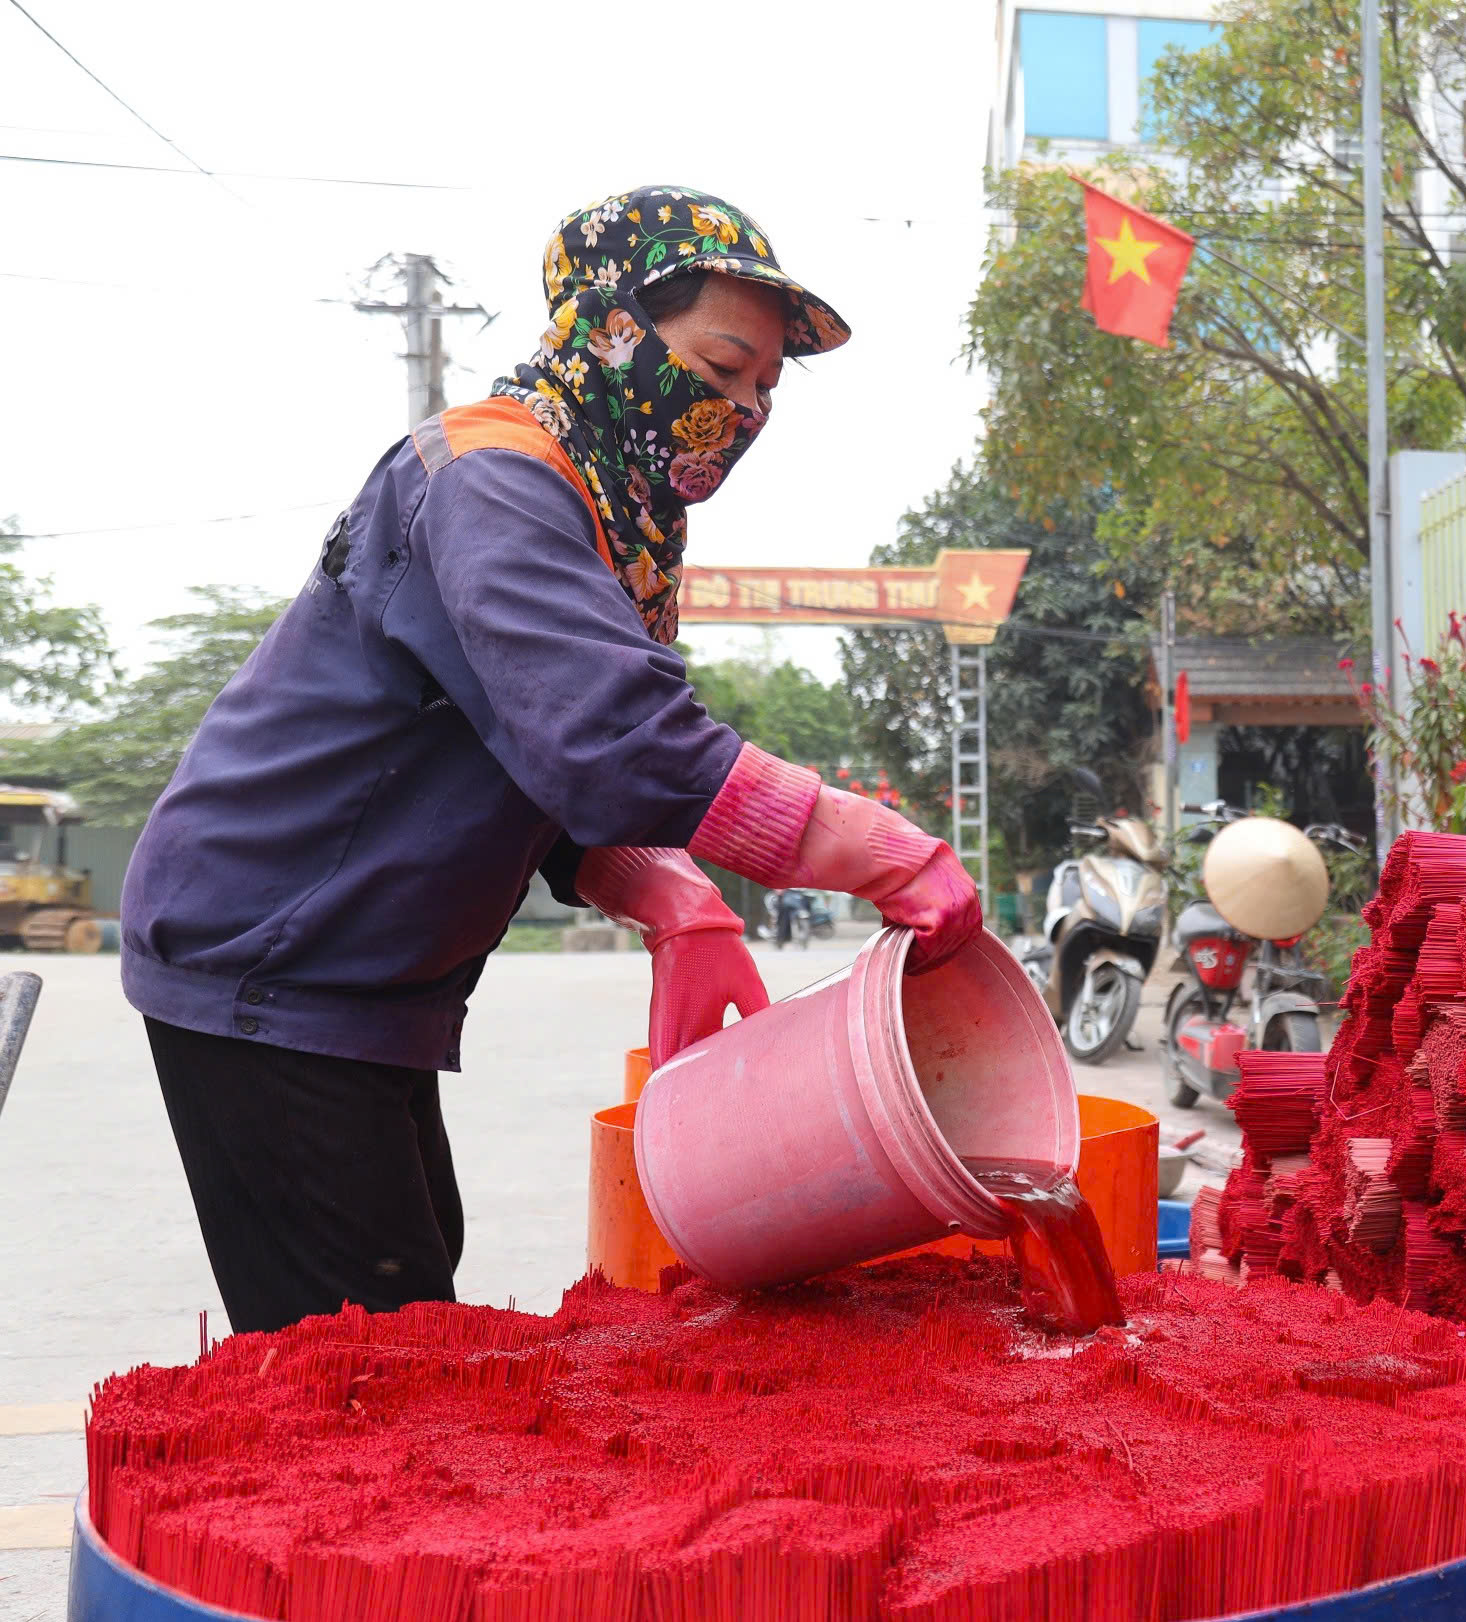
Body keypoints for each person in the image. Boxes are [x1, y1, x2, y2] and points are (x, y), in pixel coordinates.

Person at [119, 188, 981, 1335]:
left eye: (765, 388)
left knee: (412, 1281)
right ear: (611, 328)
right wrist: (876, 849)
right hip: (269, 953)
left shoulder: (614, 513)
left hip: (355, 976)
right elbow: (611, 739)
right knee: (374, 1352)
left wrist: (669, 896)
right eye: (722, 366)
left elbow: (537, 758)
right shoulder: (496, 479)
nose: (741, 407)